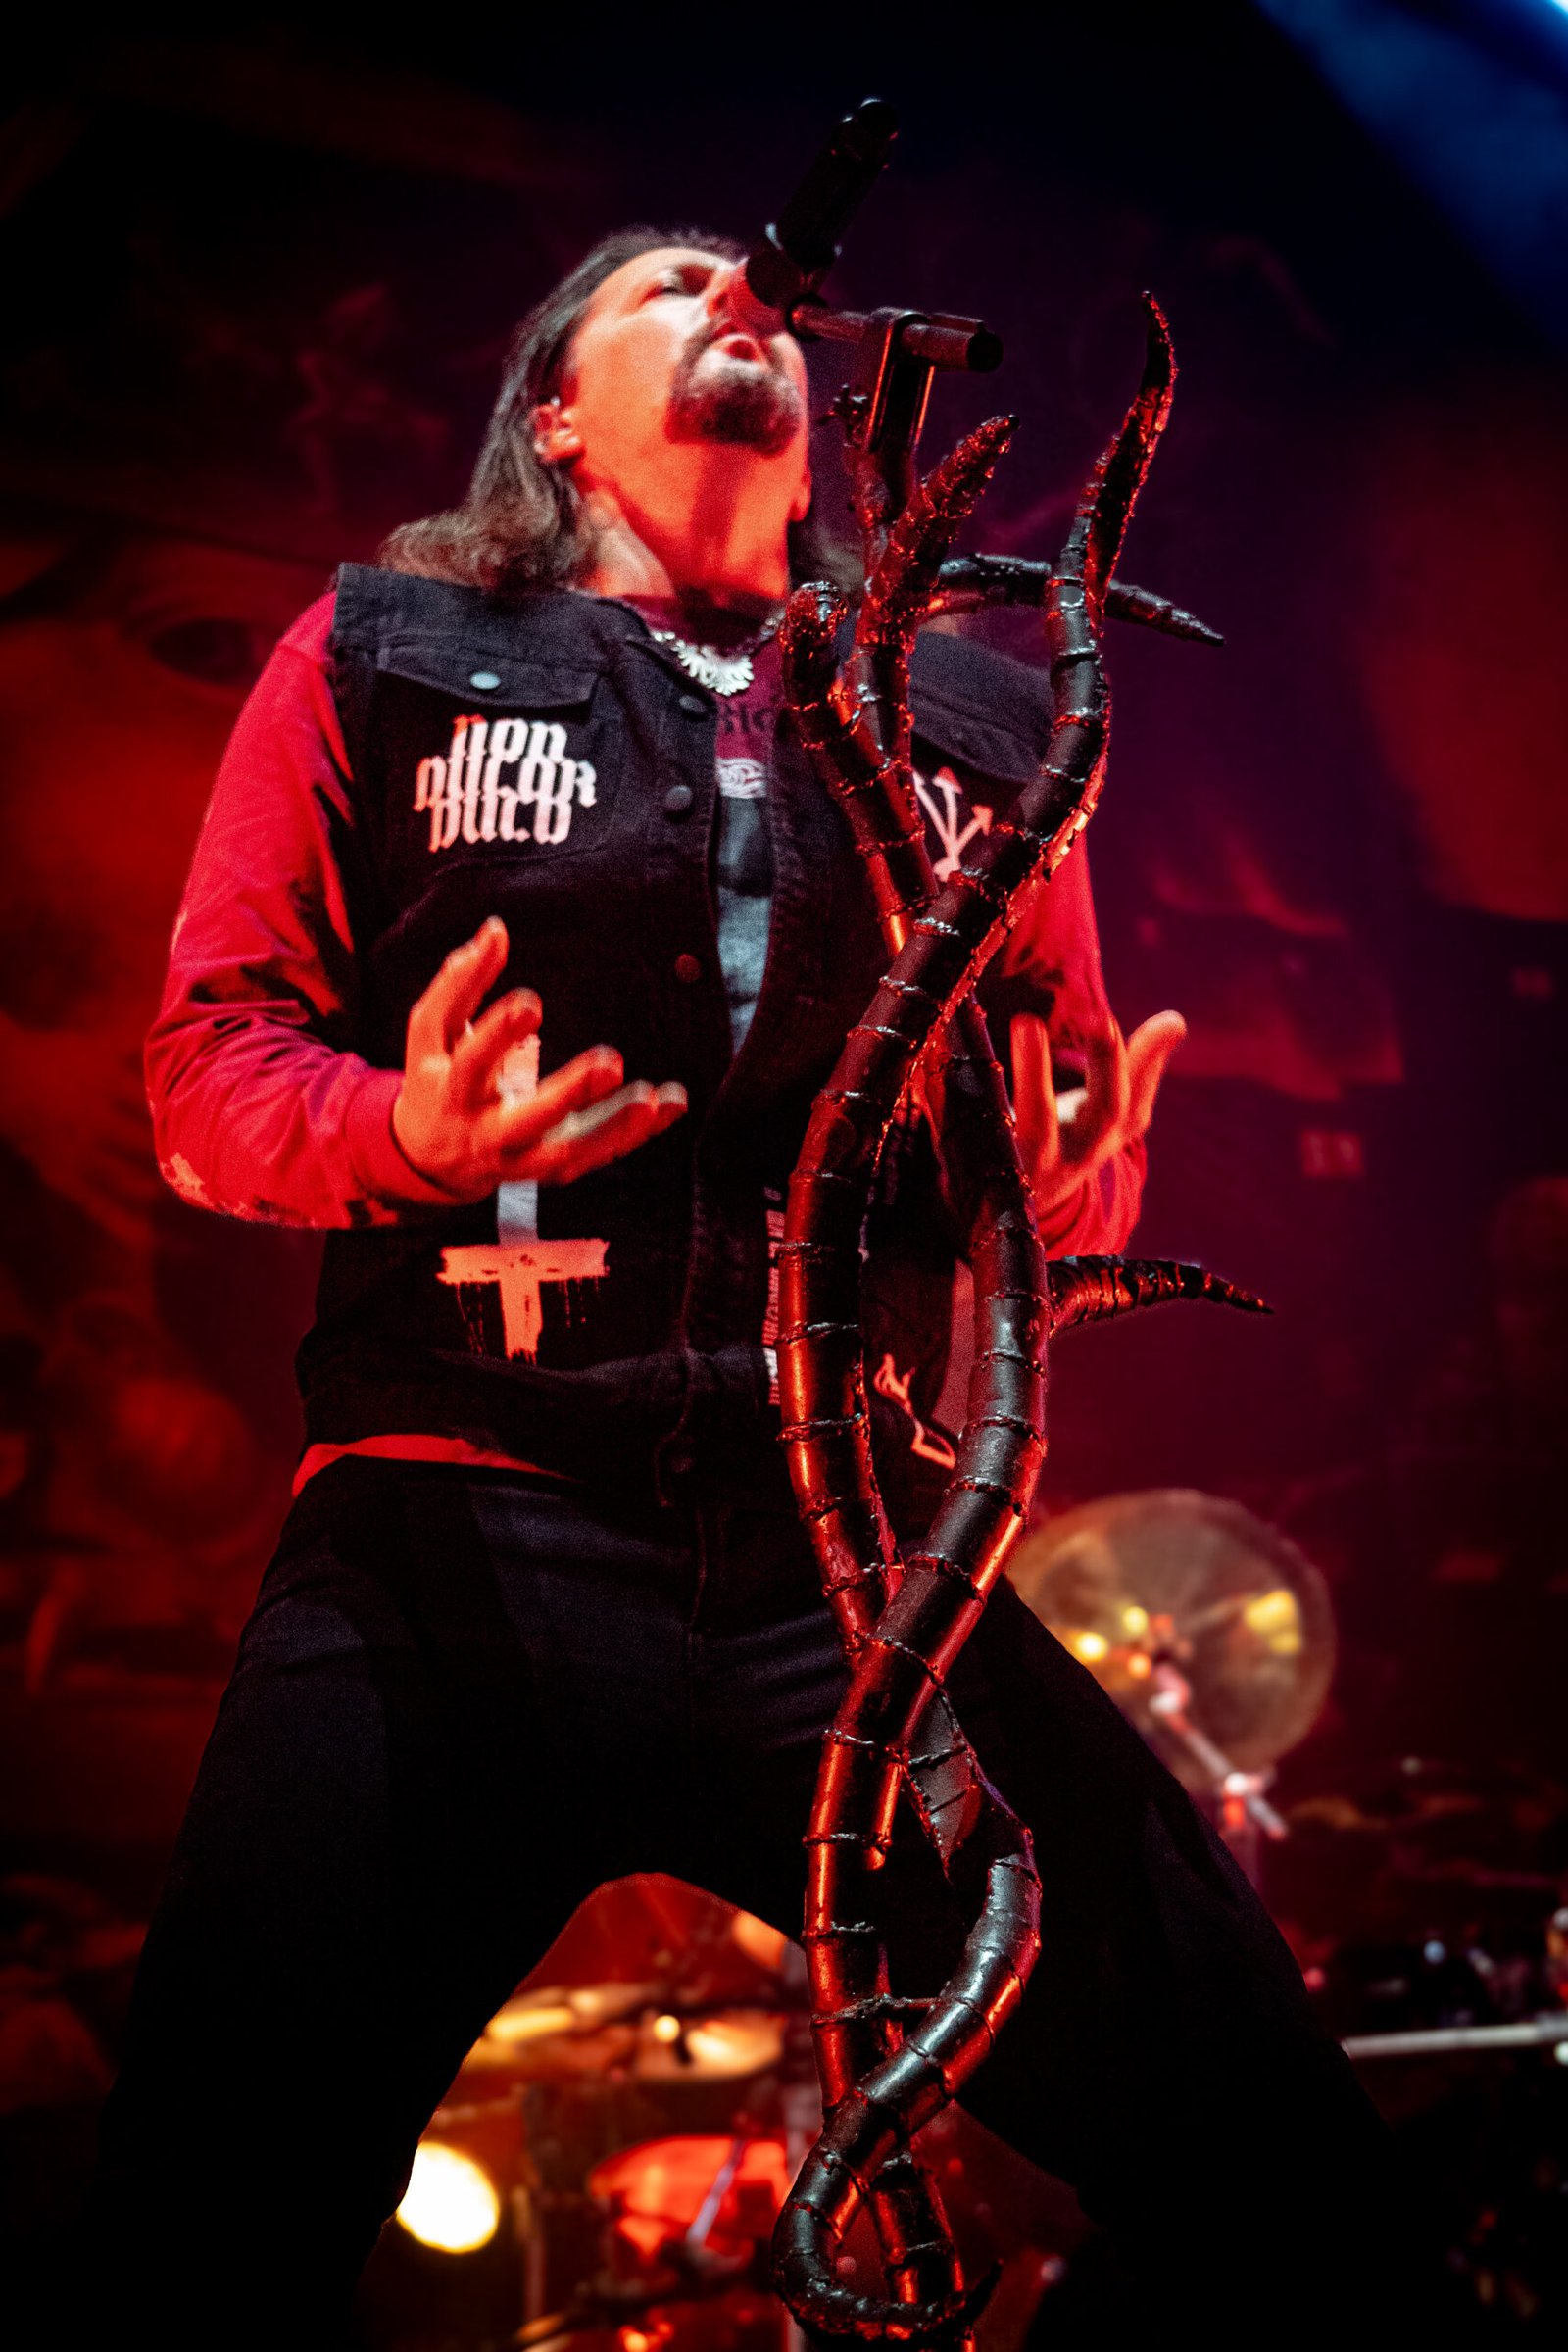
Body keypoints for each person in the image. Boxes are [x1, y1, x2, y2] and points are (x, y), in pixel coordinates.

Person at [91, 228, 1397, 2343]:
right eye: (664, 283)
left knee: (1285, 2179)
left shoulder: (982, 723)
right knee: (197, 2226)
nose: (734, 298)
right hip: (459, 1535)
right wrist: (404, 1132)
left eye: (758, 291)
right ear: (551, 411)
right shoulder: (386, 652)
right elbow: (207, 1067)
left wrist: (1069, 1201)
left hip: (855, 1580)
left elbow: (1053, 1124)